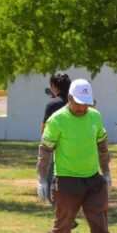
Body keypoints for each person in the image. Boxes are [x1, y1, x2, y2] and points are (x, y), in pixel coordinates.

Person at [36, 79, 117, 233]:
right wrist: (41, 178)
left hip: (93, 180)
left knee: (100, 224)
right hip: (67, 181)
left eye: (87, 103)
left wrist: (107, 171)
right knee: (63, 224)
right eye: (79, 102)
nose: (83, 107)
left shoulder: (95, 116)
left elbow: (102, 145)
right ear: (69, 98)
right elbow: (45, 150)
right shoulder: (57, 120)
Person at [39, 72, 72, 205]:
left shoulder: (53, 105)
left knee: (50, 187)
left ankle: (66, 219)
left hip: (57, 151)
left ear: (53, 86)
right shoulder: (76, 103)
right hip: (78, 150)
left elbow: (44, 131)